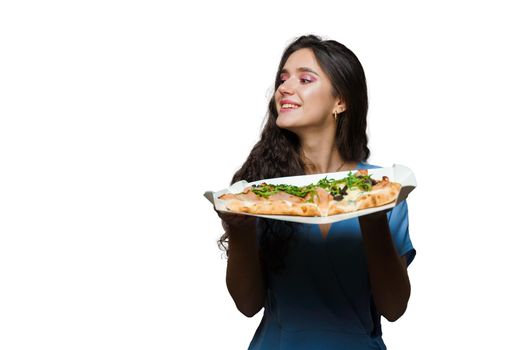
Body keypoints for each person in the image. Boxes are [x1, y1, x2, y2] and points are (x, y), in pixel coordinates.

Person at [215, 34, 416, 350]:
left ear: (340, 101)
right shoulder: (262, 189)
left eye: (304, 79)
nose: (284, 88)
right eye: (283, 79)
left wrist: (372, 215)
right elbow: (247, 304)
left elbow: (394, 308)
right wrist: (240, 234)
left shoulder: (383, 187)